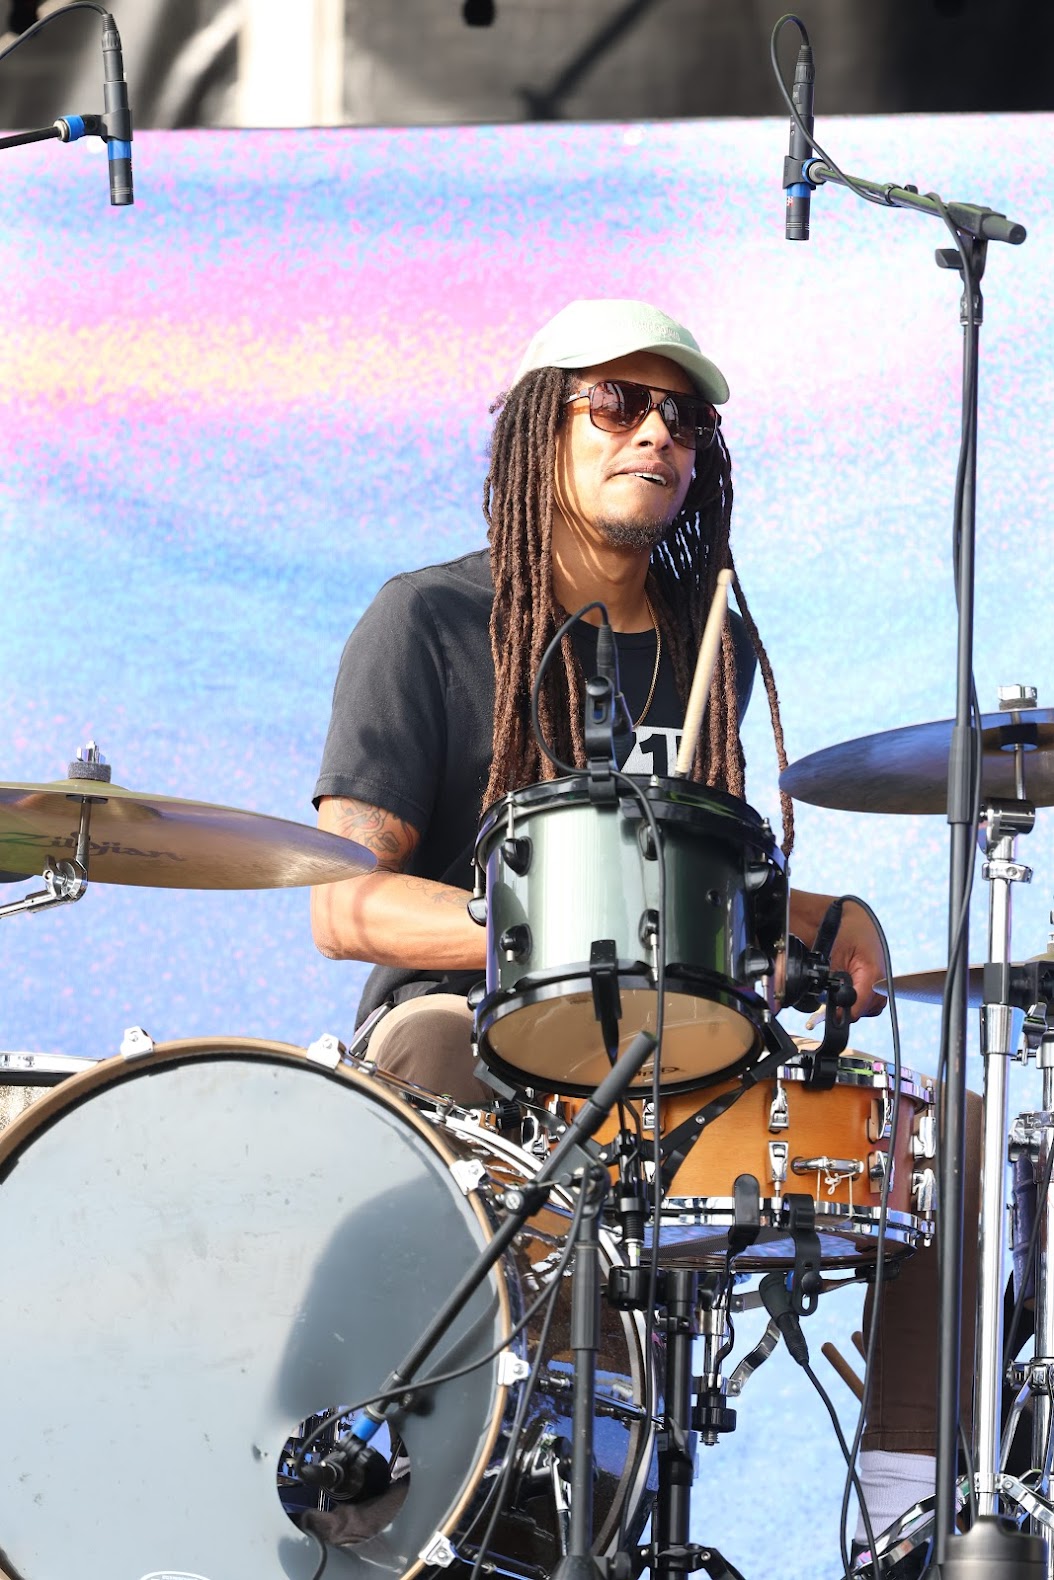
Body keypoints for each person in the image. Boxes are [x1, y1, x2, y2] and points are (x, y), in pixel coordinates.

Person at [311, 298, 975, 1575]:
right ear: (536, 430)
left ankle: (912, 1516)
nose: (655, 432)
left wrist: (817, 918)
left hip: (671, 1050)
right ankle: (520, 1479)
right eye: (616, 402)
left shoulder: (705, 646)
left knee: (935, 1150)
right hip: (465, 1035)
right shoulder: (429, 619)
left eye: (682, 416)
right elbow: (344, 905)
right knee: (448, 1053)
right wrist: (556, 929)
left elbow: (696, 893)